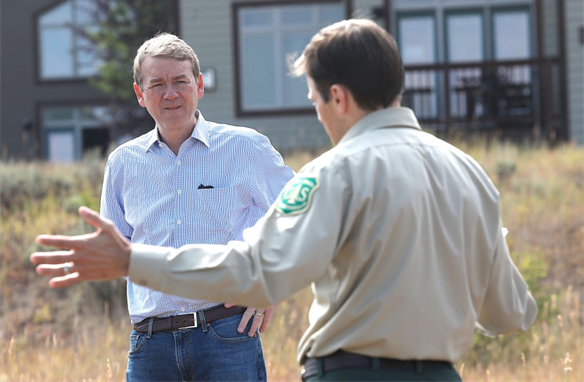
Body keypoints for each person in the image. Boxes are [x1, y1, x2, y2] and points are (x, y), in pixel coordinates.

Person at [31, 19, 537, 382]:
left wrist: (131, 260)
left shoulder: (330, 175)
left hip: (349, 372)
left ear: (337, 97)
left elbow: (257, 271)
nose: (317, 113)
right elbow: (511, 314)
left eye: (315, 100)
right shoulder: (471, 173)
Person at [95, 33, 294, 381]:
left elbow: (298, 219)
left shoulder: (246, 148)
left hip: (226, 335)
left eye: (180, 81)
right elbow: (115, 254)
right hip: (150, 344)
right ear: (140, 94)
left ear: (199, 85)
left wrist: (272, 285)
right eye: (156, 84)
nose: (170, 93)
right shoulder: (122, 164)